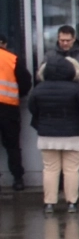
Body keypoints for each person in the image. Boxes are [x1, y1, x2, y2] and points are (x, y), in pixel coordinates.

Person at [27, 56, 79, 213]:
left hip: (47, 134)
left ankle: (49, 203)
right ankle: (72, 202)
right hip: (73, 134)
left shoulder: (39, 89)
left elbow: (33, 109)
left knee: (50, 169)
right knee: (71, 169)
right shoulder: (77, 88)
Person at [0, 34, 33, 192]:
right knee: (13, 146)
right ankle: (18, 179)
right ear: (4, 44)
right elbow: (26, 83)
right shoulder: (12, 59)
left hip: (8, 107)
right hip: (9, 109)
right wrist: (16, 94)